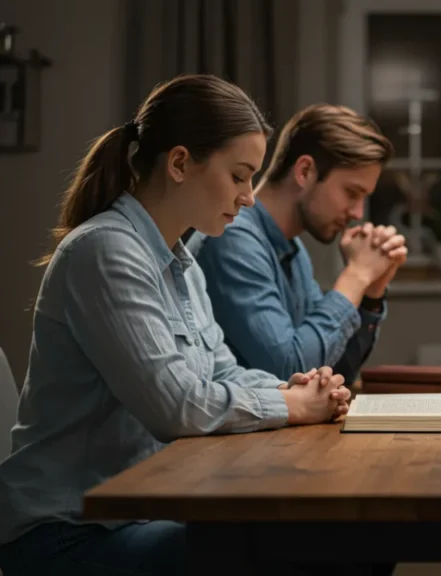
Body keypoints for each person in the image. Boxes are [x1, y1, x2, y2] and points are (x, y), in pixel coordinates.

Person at [0, 74, 350, 576]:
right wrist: (292, 405)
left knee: (325, 543)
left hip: (135, 518)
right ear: (181, 163)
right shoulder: (104, 251)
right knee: (292, 551)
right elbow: (175, 406)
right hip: (65, 535)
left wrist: (291, 387)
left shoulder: (181, 262)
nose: (249, 196)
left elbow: (222, 374)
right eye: (239, 175)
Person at [191, 104, 406, 385]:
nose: (357, 213)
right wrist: (356, 276)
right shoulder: (233, 237)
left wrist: (371, 293)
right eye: (352, 193)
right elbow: (290, 370)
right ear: (305, 171)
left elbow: (333, 372)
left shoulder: (293, 250)